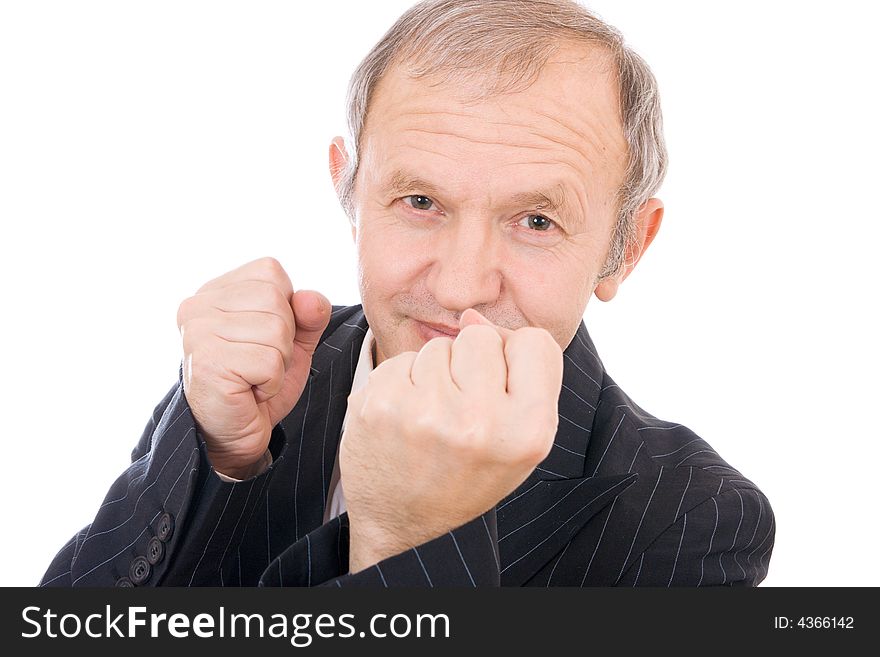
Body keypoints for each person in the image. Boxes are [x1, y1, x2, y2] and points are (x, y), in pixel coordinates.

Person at [41, 0, 774, 588]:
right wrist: (228, 458)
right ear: (349, 189)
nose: (460, 286)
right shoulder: (250, 383)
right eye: (421, 201)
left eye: (537, 220)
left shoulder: (694, 519)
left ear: (626, 248)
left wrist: (409, 541)